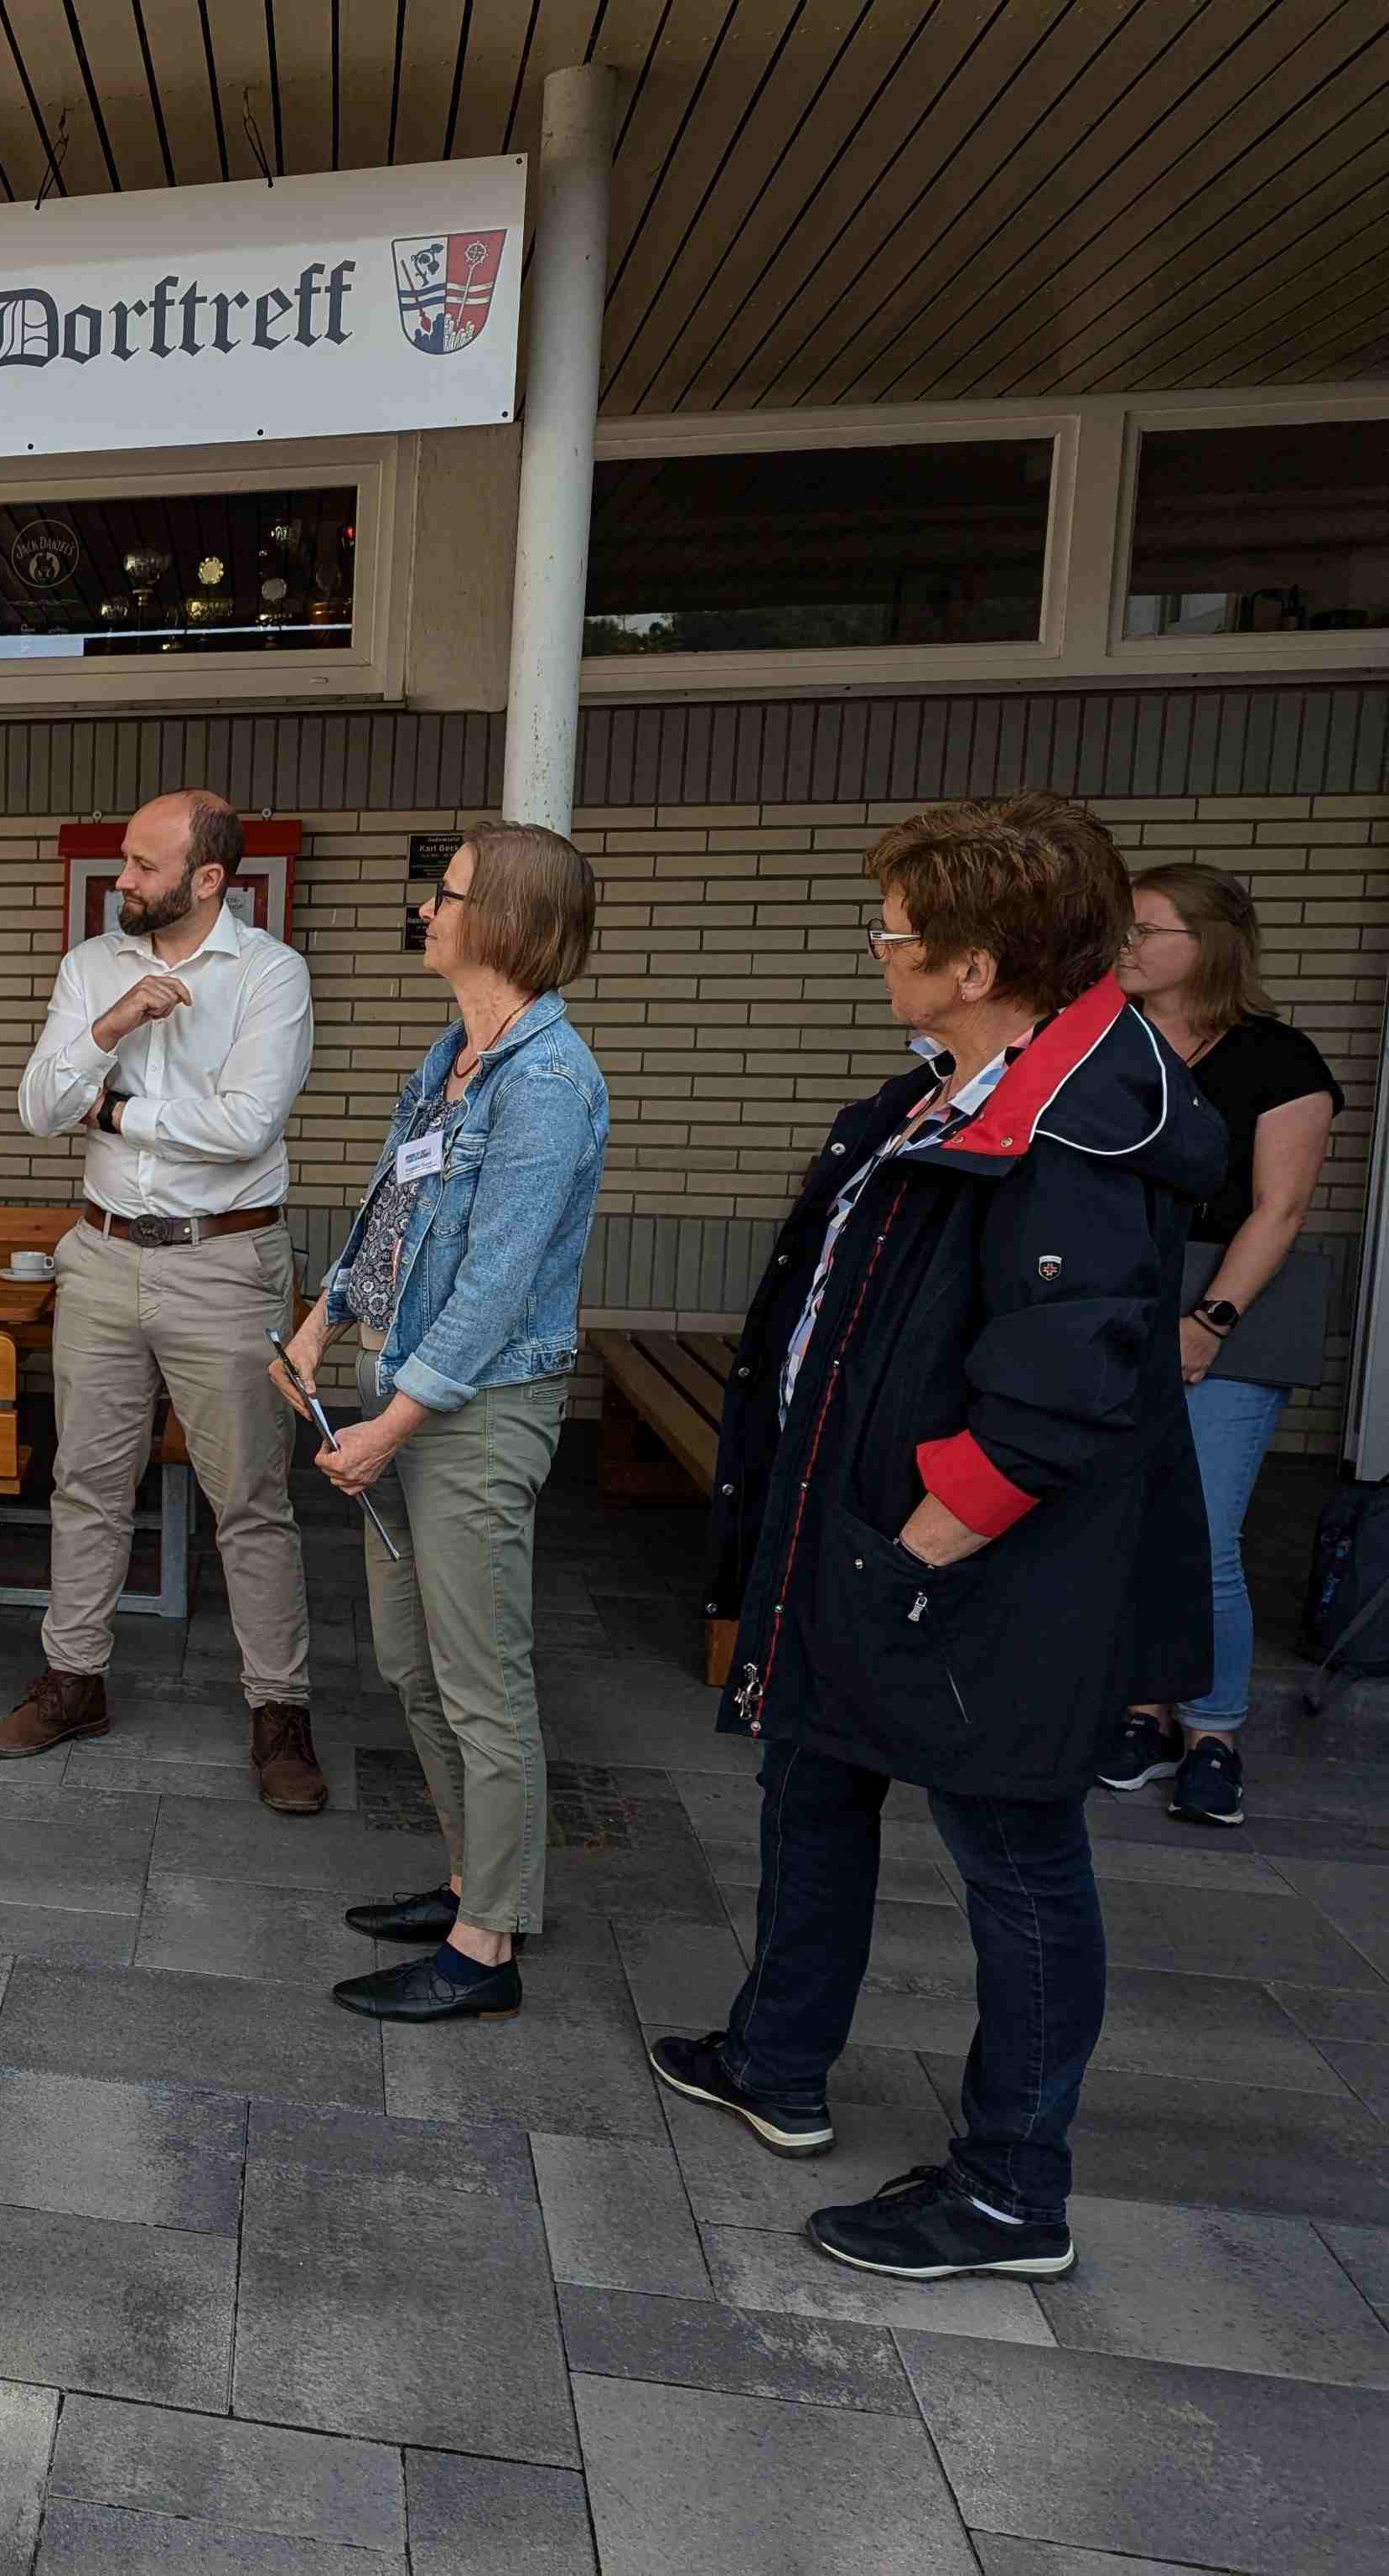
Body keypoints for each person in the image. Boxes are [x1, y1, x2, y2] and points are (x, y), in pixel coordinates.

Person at [653, 795, 1218, 2284]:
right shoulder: (962, 1085)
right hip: (863, 1538)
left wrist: (906, 1556)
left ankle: (1014, 2190)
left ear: (976, 966)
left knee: (1015, 1857)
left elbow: (1053, 1400)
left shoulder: (1081, 1134)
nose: (878, 948)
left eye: (894, 932)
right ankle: (778, 2058)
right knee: (812, 1780)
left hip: (969, 1569)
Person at [277, 823, 609, 2023]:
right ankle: (475, 1879)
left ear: (505, 921)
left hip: (474, 1410)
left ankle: (486, 1947)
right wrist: (320, 1324)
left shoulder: (549, 1084)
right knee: (413, 1664)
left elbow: (494, 1288)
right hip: (406, 1392)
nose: (427, 909)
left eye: (448, 893)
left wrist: (391, 1425)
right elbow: (392, 1215)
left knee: (481, 1677)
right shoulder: (454, 1057)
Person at [0, 790, 324, 1809]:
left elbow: (245, 1127)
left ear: (209, 879)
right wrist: (111, 1024)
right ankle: (73, 1682)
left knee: (250, 1502)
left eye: (143, 865)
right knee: (87, 1484)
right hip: (98, 1257)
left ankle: (280, 1714)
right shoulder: (92, 967)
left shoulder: (269, 973)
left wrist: (115, 1109)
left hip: (224, 1263)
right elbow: (38, 1106)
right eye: (123, 861)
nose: (123, 880)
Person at [1097, 860, 1337, 1825]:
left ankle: (1215, 1734)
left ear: (1211, 944)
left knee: (1202, 1533)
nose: (1125, 944)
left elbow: (1279, 1209)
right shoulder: (1106, 1043)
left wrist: (1209, 1324)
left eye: (1146, 929)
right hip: (1113, 1303)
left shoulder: (1279, 1058)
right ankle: (1146, 1713)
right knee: (1127, 1522)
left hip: (1225, 1311)